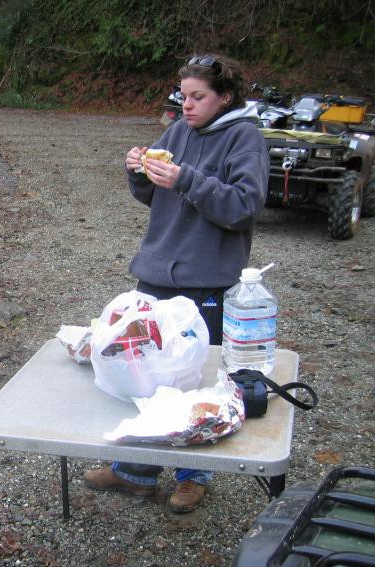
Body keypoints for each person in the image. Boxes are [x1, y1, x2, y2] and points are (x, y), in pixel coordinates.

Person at [84, 54, 269, 512]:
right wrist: (138, 171)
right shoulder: (179, 131)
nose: (185, 105)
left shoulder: (245, 139)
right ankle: (135, 471)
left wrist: (187, 179)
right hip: (156, 274)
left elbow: (245, 206)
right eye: (183, 95)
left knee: (193, 384)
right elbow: (152, 194)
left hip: (206, 282)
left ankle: (193, 476)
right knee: (143, 376)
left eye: (197, 97)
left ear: (224, 97)